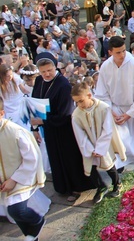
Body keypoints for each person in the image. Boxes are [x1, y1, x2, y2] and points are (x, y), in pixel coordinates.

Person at [31, 53, 95, 200]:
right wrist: (35, 128)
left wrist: (42, 121)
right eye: (43, 71)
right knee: (55, 158)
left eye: (50, 70)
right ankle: (62, 187)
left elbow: (65, 114)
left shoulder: (63, 85)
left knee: (68, 159)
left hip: (63, 129)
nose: (46, 74)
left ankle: (76, 188)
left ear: (56, 67)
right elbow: (35, 102)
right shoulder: (39, 81)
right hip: (49, 128)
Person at [95, 36, 134, 171]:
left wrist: (130, 114)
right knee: (119, 137)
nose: (122, 55)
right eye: (118, 52)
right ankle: (120, 163)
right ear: (110, 52)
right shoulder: (105, 67)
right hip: (115, 107)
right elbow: (102, 93)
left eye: (123, 51)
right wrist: (111, 112)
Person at [70, 82, 126, 204]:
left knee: (108, 164)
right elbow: (80, 134)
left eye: (81, 101)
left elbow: (107, 129)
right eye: (76, 102)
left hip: (103, 143)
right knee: (90, 167)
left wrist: (100, 148)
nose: (79, 105)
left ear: (89, 95)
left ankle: (117, 183)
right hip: (89, 144)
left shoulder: (103, 108)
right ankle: (101, 186)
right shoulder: (76, 114)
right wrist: (89, 149)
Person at [0, 97, 47, 241]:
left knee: (16, 209)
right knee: (13, 212)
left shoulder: (15, 131)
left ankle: (38, 221)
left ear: (1, 113)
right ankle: (31, 236)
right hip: (3, 179)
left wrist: (14, 179)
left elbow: (32, 158)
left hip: (21, 176)